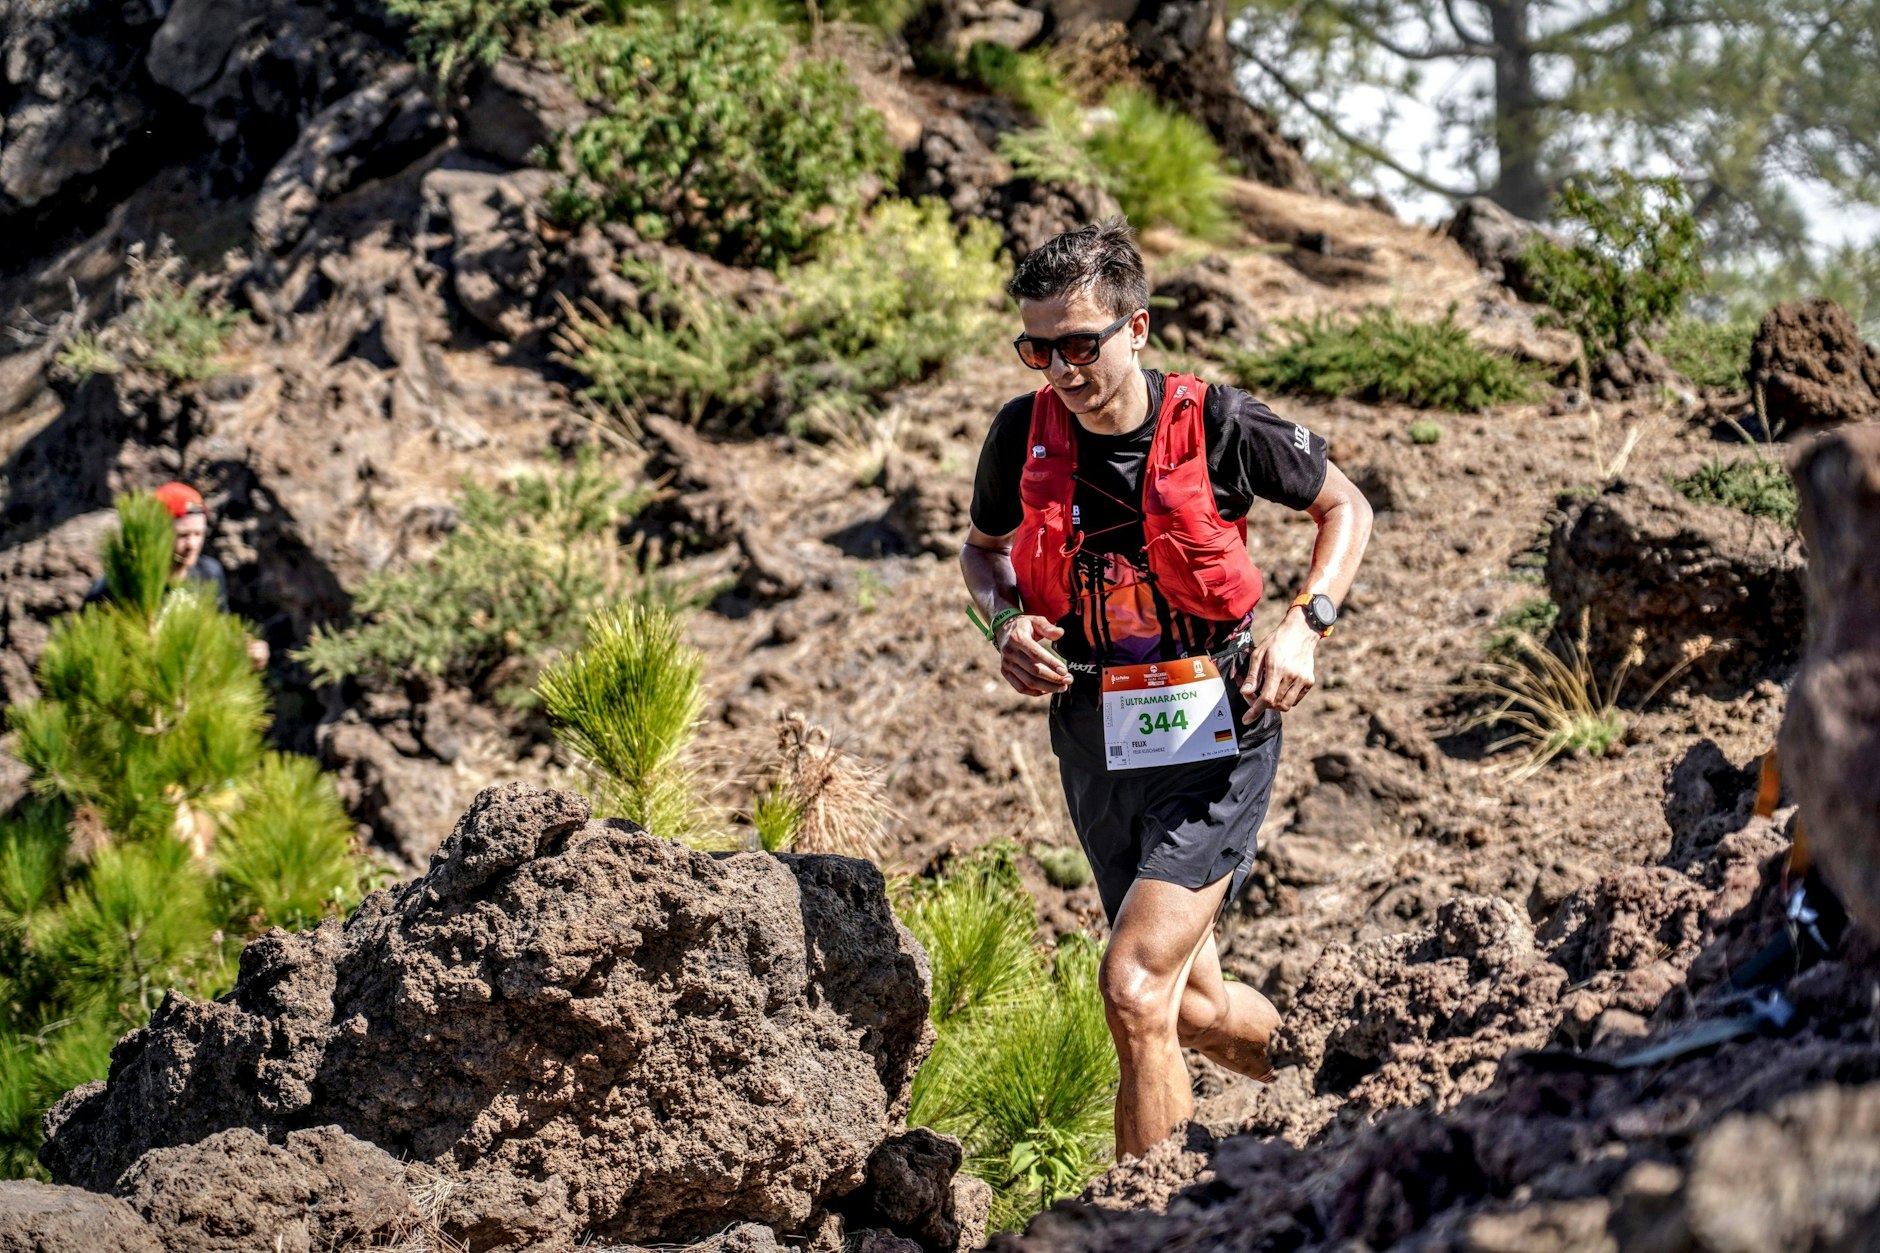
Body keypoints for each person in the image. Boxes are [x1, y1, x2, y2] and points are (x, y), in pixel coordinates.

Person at [960, 219, 1373, 1158]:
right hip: (1095, 737)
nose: (1060, 369)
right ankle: (1344, 1077)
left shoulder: (1217, 421)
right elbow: (983, 557)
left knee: (1134, 986)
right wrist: (1004, 623)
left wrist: (1307, 624)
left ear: (1135, 329)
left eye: (1079, 344)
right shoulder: (1021, 433)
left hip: (1219, 727)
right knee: (1191, 1007)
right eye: (1038, 348)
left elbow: (1345, 505)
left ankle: (1147, 1219)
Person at [86, 481, 269, 668]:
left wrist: (245, 654)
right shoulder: (120, 585)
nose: (192, 545)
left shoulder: (208, 574)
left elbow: (220, 635)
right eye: (182, 535)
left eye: (198, 534)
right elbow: (90, 654)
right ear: (157, 533)